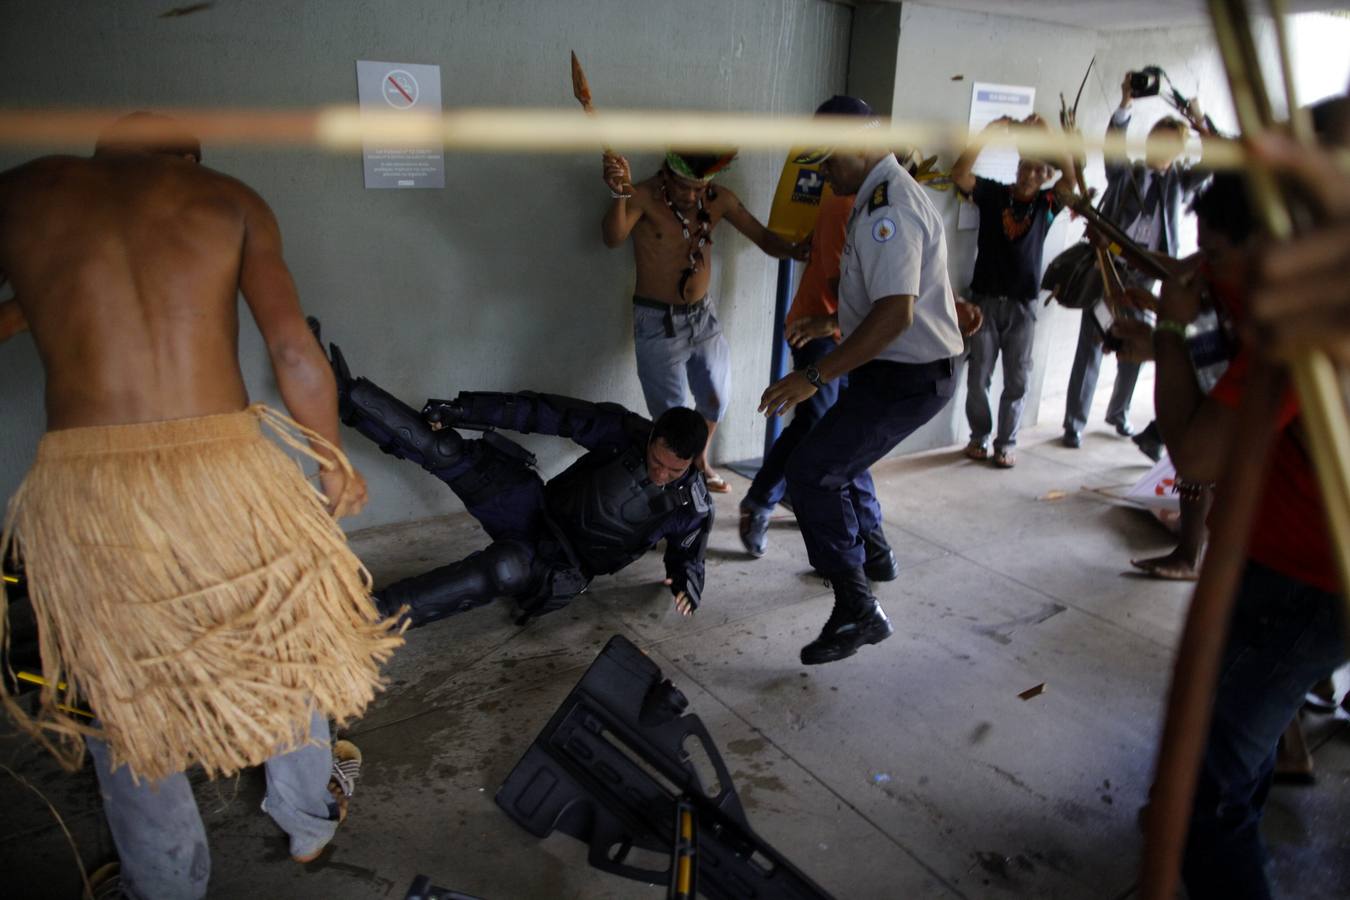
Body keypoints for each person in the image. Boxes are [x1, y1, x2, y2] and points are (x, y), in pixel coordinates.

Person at [0, 113, 399, 899]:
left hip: (90, 487)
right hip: (228, 474)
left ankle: (165, 884)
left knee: (124, 693)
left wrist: (34, 304)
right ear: (183, 155)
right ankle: (311, 823)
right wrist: (332, 462)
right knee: (284, 643)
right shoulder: (225, 198)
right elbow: (294, 352)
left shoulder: (20, 195)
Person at [1139, 155, 1348, 898]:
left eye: (1217, 255)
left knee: (1200, 788)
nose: (1201, 271)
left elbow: (1195, 452)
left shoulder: (1299, 326)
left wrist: (1169, 325)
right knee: (1235, 753)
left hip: (1309, 584)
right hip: (1273, 564)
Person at [760, 95, 963, 666]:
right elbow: (889, 301)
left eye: (829, 160)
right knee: (834, 460)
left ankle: (858, 608)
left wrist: (813, 375)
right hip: (894, 371)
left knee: (812, 471)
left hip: (910, 377)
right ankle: (873, 556)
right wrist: (829, 321)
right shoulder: (879, 194)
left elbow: (895, 315)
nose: (825, 173)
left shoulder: (886, 209)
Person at [327, 341, 713, 626]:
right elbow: (546, 413)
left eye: (673, 471)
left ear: (693, 463)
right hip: (536, 509)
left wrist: (685, 580)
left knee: (504, 568)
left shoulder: (690, 505)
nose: (661, 474)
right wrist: (463, 410)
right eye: (656, 461)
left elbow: (689, 549)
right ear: (651, 438)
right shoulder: (624, 432)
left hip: (561, 565)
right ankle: (348, 396)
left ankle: (371, 617)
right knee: (447, 450)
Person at [601, 146, 807, 492]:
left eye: (699, 188)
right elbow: (612, 237)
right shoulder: (643, 195)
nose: (691, 195)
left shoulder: (718, 199)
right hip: (657, 322)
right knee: (669, 418)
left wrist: (798, 249)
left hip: (703, 318)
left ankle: (699, 460)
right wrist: (619, 192)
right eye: (684, 186)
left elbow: (763, 238)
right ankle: (669, 484)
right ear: (667, 172)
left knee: (716, 398)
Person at [1062, 70, 1210, 449]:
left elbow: (1214, 163)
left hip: (1148, 276)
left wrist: (1200, 122)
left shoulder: (1179, 181)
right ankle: (1074, 423)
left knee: (1141, 346)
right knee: (1094, 340)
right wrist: (1126, 103)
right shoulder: (1127, 174)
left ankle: (1119, 412)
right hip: (1108, 268)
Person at [950, 114, 1076, 468]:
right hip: (985, 302)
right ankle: (979, 436)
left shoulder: (1046, 205)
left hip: (1022, 306)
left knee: (1018, 379)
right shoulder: (993, 194)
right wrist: (988, 134)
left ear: (1046, 176)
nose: (1028, 174)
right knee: (978, 377)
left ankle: (1006, 443)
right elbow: (959, 175)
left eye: (1038, 170)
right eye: (1024, 166)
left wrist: (1051, 135)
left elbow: (1072, 180)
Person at [738, 186, 854, 557]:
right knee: (814, 419)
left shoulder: (882, 203)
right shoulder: (847, 206)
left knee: (842, 423)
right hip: (818, 326)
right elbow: (843, 282)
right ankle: (760, 501)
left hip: (852, 330)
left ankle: (793, 490)